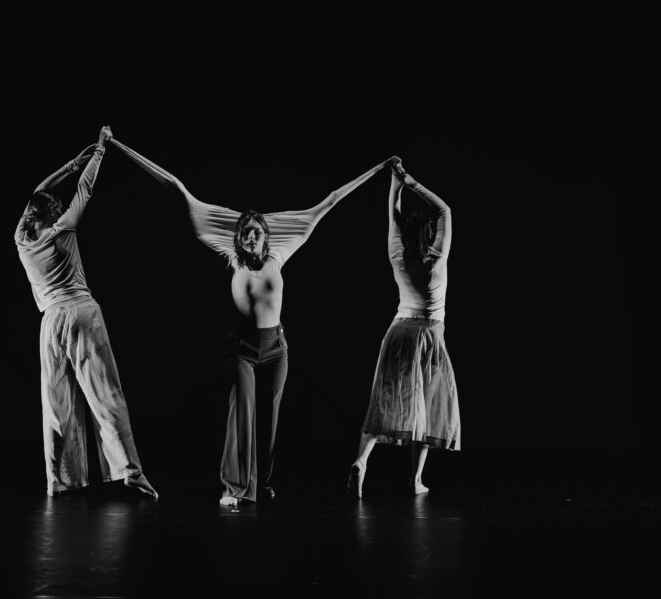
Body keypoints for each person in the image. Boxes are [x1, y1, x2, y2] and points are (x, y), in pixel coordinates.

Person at [108, 137, 391, 505]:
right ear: (239, 239)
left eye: (257, 231)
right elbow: (176, 187)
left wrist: (379, 168)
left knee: (269, 420)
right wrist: (116, 146)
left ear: (266, 237)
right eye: (246, 232)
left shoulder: (280, 255)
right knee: (241, 414)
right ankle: (235, 488)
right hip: (241, 348)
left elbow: (331, 200)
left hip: (276, 348)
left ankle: (263, 483)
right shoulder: (231, 259)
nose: (251, 235)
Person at [15, 126, 158, 499]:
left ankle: (57, 479)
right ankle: (131, 471)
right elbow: (85, 190)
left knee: (55, 403)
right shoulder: (63, 229)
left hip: (50, 323)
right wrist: (98, 152)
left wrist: (68, 165)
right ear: (52, 214)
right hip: (81, 313)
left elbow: (37, 191)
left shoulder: (21, 240)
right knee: (105, 393)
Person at [348, 158, 461, 498]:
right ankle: (414, 480)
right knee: (426, 406)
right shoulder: (436, 258)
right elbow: (445, 210)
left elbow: (392, 214)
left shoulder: (397, 255)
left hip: (397, 332)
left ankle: (361, 461)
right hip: (428, 334)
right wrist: (410, 181)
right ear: (430, 234)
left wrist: (395, 182)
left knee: (382, 401)